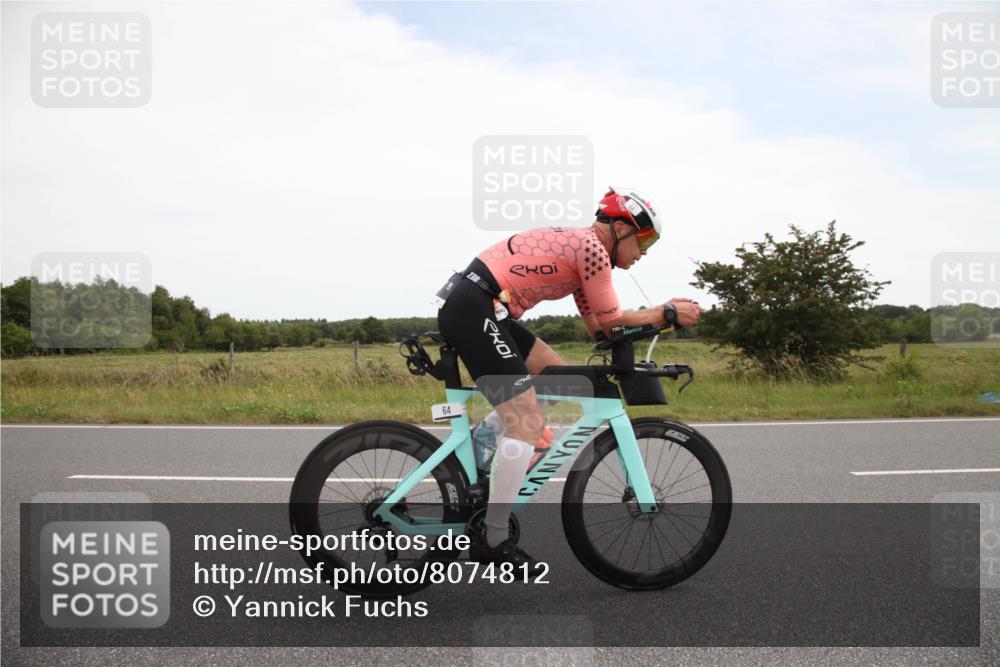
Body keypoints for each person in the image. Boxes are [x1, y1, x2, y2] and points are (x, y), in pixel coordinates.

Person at [436, 187, 703, 574]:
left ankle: (481, 450)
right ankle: (493, 538)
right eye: (644, 239)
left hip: (486, 308)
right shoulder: (592, 249)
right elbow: (613, 319)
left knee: (555, 376)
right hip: (476, 307)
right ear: (621, 227)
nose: (644, 251)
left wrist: (659, 319)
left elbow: (600, 329)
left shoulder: (586, 254)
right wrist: (664, 311)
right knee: (526, 423)